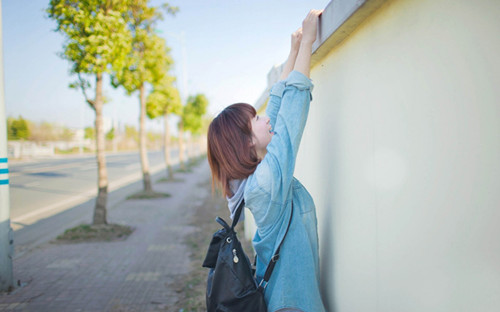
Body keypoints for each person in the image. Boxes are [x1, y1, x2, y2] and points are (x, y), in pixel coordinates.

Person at [207, 9, 325, 312]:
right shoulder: (266, 183)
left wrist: (294, 51)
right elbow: (288, 118)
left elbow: (275, 108)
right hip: (292, 304)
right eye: (256, 119)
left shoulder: (254, 174)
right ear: (246, 143)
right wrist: (309, 41)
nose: (264, 118)